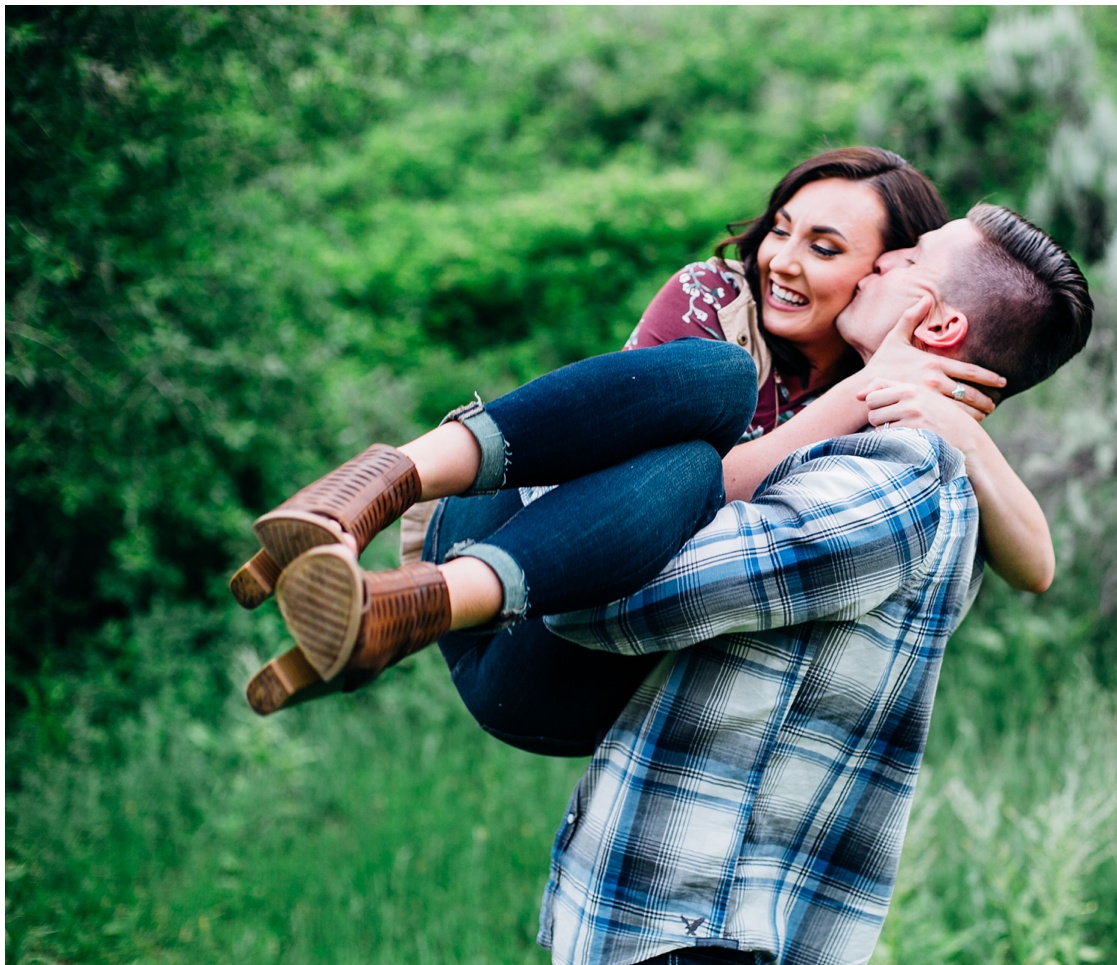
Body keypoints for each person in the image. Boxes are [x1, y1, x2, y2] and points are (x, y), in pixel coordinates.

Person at [235, 149, 1053, 728]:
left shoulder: (895, 412)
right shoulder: (712, 301)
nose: (782, 260)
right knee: (717, 396)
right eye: (782, 228)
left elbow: (1037, 564)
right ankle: (374, 492)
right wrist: (867, 398)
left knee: (694, 473)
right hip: (502, 526)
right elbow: (717, 481)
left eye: (833, 249)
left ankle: (387, 616)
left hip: (562, 667)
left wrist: (953, 425)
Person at [538, 203, 1093, 965]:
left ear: (935, 324)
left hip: (692, 936)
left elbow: (619, 601)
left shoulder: (885, 478)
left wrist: (541, 548)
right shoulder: (913, 460)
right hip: (708, 937)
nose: (880, 264)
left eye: (909, 260)